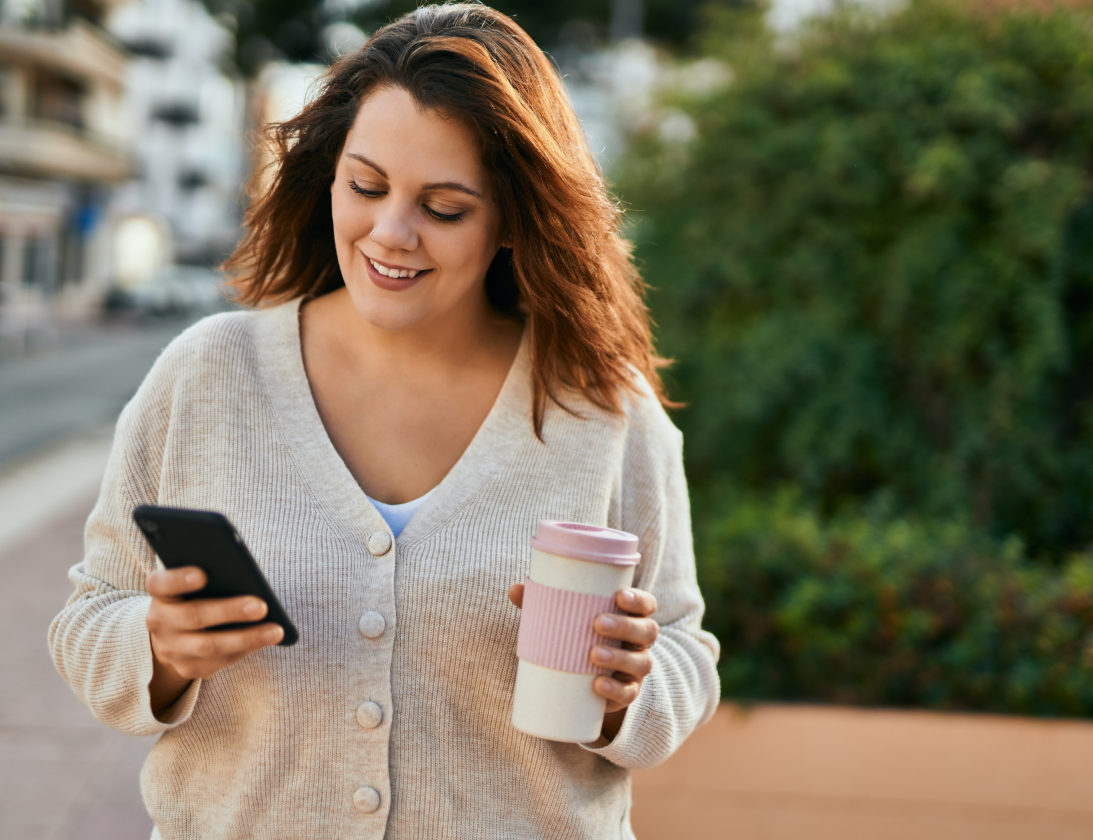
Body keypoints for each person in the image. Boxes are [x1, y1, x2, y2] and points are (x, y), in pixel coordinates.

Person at [49, 4, 720, 838]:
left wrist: (630, 690)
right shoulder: (207, 375)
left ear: (512, 220)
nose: (390, 233)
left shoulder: (600, 408)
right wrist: (157, 649)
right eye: (366, 187)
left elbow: (685, 655)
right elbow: (88, 621)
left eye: (443, 207)